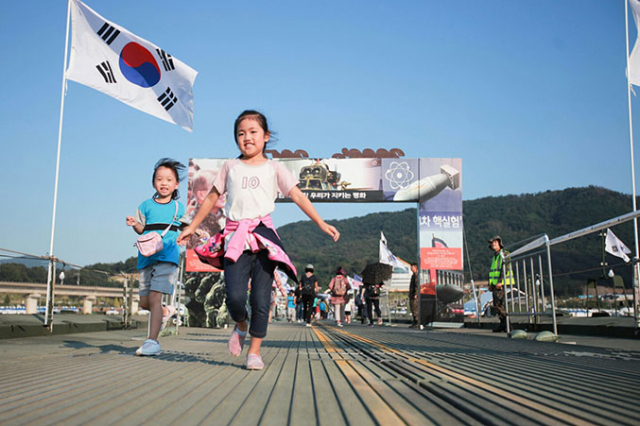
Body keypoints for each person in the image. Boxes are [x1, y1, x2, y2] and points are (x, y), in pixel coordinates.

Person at [177, 110, 340, 370]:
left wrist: (321, 223)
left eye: (253, 132)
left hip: (264, 238)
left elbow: (298, 196)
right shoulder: (230, 167)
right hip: (234, 238)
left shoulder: (275, 168)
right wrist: (192, 226)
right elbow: (210, 198)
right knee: (234, 296)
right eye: (241, 133)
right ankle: (240, 325)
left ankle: (254, 352)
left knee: (261, 300)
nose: (247, 137)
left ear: (265, 137)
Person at [126, 158, 187, 356]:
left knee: (154, 296)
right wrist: (134, 223)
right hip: (146, 257)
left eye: (169, 179)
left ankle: (152, 342)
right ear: (154, 182)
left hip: (167, 257)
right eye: (160, 179)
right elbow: (141, 230)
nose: (164, 183)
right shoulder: (145, 206)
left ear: (176, 184)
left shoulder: (179, 208)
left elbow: (186, 228)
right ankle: (165, 311)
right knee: (145, 302)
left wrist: (190, 235)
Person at [488, 236, 514, 333]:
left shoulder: (504, 254)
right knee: (497, 304)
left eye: (495, 242)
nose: (493, 244)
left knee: (500, 304)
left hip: (501, 283)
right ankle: (503, 324)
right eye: (492, 243)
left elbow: (505, 268)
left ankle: (507, 325)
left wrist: (500, 281)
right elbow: (492, 272)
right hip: (495, 284)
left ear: (499, 243)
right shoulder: (495, 256)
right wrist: (490, 284)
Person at [408, 263, 419, 328]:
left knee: (415, 309)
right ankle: (415, 322)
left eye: (412, 267)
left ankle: (417, 322)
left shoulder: (416, 275)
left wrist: (416, 294)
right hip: (411, 294)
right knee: (412, 308)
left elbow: (417, 285)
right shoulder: (413, 275)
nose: (411, 268)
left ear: (415, 267)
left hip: (414, 295)